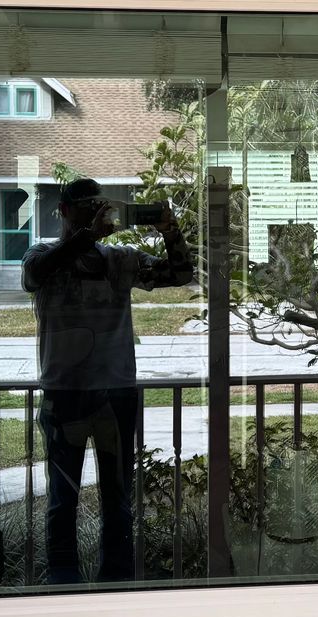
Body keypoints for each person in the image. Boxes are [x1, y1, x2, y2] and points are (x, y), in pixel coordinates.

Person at [22, 176, 194, 585]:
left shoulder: (120, 260)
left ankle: (115, 583)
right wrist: (87, 237)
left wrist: (171, 232)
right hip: (65, 393)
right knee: (62, 497)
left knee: (118, 499)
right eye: (85, 207)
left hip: (114, 393)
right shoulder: (42, 254)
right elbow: (34, 275)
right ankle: (64, 584)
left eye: (99, 207)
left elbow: (181, 273)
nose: (94, 214)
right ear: (64, 211)